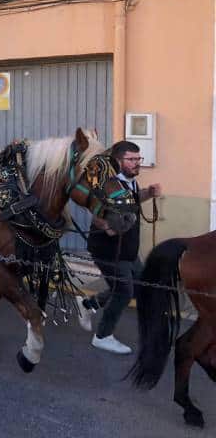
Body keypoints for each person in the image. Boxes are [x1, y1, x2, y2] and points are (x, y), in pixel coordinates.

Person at [77, 140, 162, 355]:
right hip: (109, 250)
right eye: (131, 159)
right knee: (124, 292)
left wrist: (148, 193)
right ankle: (103, 336)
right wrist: (107, 226)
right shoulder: (108, 183)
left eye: (138, 159)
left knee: (136, 283)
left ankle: (89, 305)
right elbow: (96, 215)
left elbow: (131, 201)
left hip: (128, 250)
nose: (137, 163)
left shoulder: (130, 182)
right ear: (118, 161)